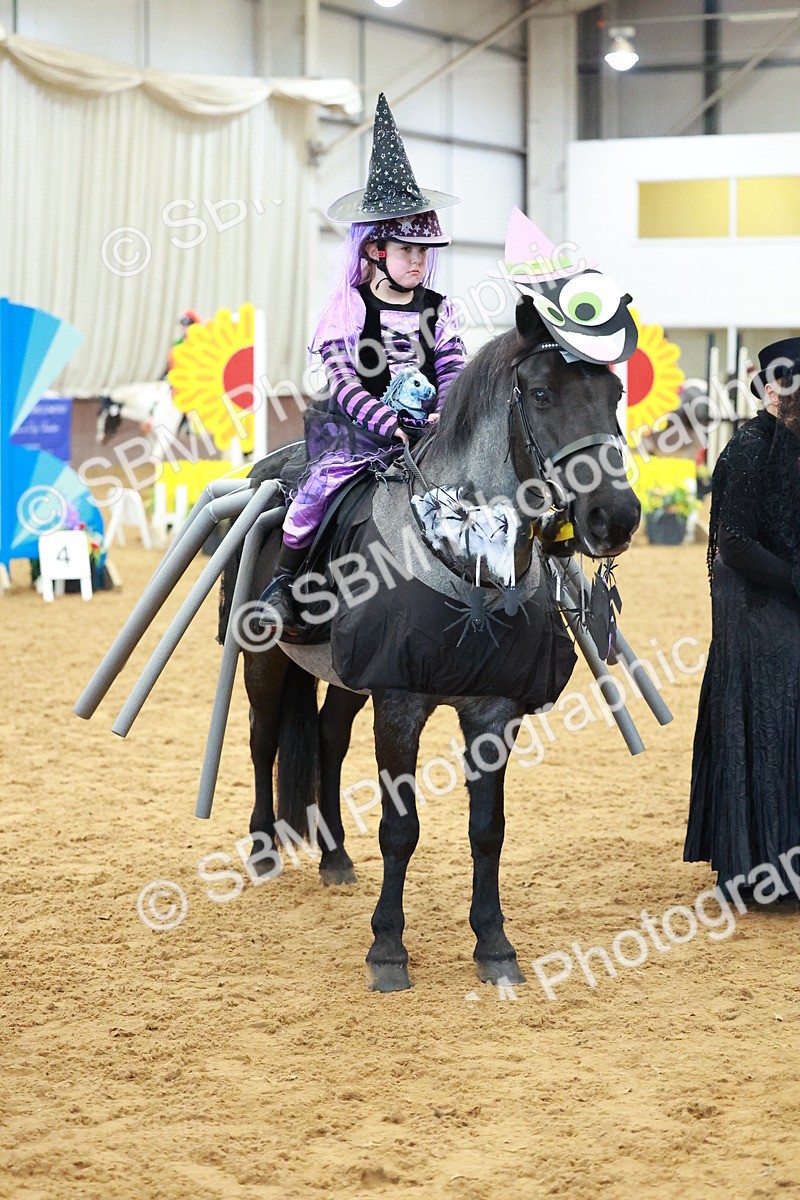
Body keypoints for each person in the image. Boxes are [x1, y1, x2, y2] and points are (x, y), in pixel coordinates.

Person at [261, 94, 466, 636]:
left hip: (428, 437)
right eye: (407, 251)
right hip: (357, 436)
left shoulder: (440, 308)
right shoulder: (346, 309)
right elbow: (345, 382)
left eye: (425, 252)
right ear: (376, 250)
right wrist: (386, 421)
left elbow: (452, 368)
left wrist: (441, 416)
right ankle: (284, 582)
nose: (420, 261)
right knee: (317, 491)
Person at [685, 336, 800, 905]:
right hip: (755, 613)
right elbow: (734, 543)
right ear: (779, 390)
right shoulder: (750, 448)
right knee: (772, 725)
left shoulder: (790, 445)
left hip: (776, 604)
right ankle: (762, 867)